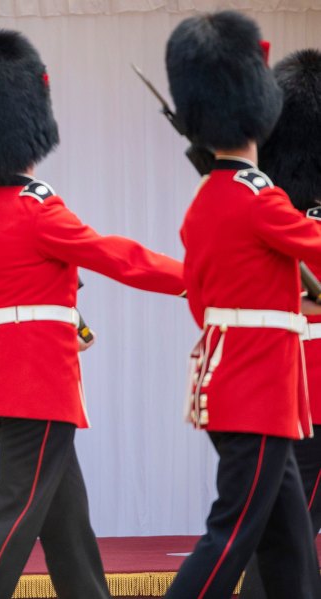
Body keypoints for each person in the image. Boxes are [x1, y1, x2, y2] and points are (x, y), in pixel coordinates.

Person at [0, 29, 185, 599]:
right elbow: (117, 257)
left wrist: (61, 322)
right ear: (30, 136)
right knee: (15, 519)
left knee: (66, 522)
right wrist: (198, 280)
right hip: (38, 387)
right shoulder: (40, 211)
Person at [164, 12, 321, 598]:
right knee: (229, 539)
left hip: (235, 385)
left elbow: (200, 298)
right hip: (257, 391)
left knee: (289, 549)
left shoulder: (210, 198)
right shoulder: (259, 197)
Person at [238, 47, 321, 599]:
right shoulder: (274, 218)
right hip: (303, 387)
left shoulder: (269, 213)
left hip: (285, 383)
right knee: (290, 528)